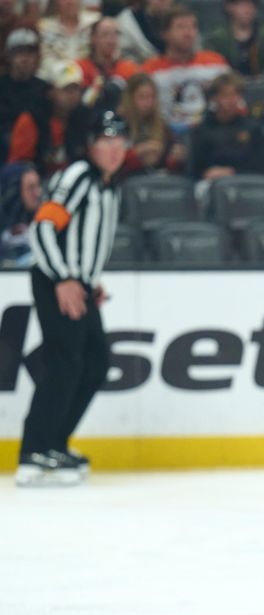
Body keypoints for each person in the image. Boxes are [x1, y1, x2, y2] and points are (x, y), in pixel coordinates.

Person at [17, 110, 128, 487]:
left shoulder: (109, 184)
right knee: (65, 363)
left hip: (79, 283)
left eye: (119, 143)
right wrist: (64, 277)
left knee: (95, 364)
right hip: (56, 280)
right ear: (91, 146)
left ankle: (54, 443)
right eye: (105, 142)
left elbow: (87, 238)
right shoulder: (79, 176)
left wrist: (89, 279)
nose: (114, 150)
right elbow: (44, 226)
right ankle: (35, 448)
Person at [142, 5, 230, 134]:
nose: (188, 33)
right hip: (167, 135)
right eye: (180, 27)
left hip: (212, 133)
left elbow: (236, 102)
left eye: (193, 27)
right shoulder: (150, 70)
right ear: (165, 34)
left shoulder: (216, 63)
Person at [7, 59, 90, 177]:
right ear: (50, 92)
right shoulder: (31, 120)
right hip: (38, 183)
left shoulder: (84, 118)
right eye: (66, 89)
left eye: (76, 89)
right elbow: (17, 166)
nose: (72, 95)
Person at [188, 71, 264, 181]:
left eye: (235, 95)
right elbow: (195, 168)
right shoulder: (202, 130)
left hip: (245, 181)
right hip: (210, 182)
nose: (231, 101)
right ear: (214, 98)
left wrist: (232, 172)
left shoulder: (252, 128)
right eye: (226, 95)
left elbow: (262, 164)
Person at [117, 71, 186, 176]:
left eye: (151, 97)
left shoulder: (161, 126)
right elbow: (111, 160)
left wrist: (176, 157)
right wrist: (139, 152)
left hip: (158, 181)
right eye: (142, 97)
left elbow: (169, 160)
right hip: (127, 180)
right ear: (130, 98)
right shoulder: (119, 123)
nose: (148, 103)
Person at [1, 29, 51, 161]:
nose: (25, 58)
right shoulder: (1, 86)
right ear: (9, 56)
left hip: (36, 159)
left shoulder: (45, 89)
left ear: (37, 56)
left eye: (30, 52)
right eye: (19, 52)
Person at [77, 15, 139, 112]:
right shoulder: (80, 68)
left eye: (115, 35)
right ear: (93, 38)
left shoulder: (128, 68)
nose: (111, 40)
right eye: (105, 35)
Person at [204, 0, 264, 78]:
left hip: (262, 86)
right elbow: (211, 67)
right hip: (225, 86)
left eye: (251, 4)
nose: (247, 9)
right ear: (229, 7)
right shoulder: (216, 40)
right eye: (242, 4)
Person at [37, 0, 100, 76]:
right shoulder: (45, 28)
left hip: (90, 76)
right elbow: (46, 61)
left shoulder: (95, 22)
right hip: (56, 78)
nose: (70, 2)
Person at [0, 161, 40, 266]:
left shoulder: (43, 220)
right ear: (14, 190)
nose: (38, 193)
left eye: (38, 186)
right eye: (31, 188)